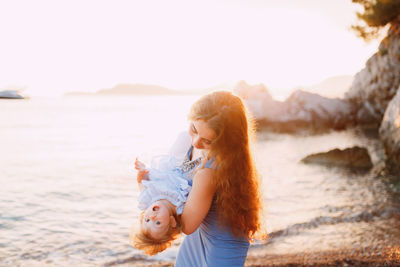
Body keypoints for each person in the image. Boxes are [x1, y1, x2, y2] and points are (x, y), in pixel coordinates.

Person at [172, 91, 266, 266]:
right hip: (200, 238)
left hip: (220, 251)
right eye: (194, 129)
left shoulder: (209, 174)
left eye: (207, 141)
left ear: (225, 142)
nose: (195, 142)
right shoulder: (188, 142)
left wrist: (155, 202)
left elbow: (187, 225)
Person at [130, 154, 200, 256]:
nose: (152, 216)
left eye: (147, 220)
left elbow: (142, 181)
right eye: (157, 223)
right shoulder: (181, 207)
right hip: (188, 169)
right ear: (172, 222)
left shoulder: (148, 199)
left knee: (183, 140)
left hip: (172, 161)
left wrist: (142, 171)